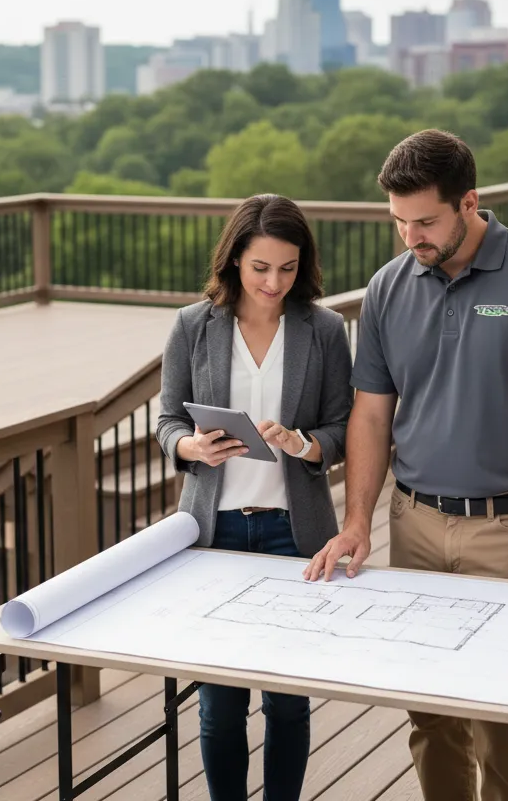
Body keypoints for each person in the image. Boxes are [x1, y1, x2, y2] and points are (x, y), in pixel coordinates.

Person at [302, 129, 508, 801]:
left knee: (505, 720)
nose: (411, 236)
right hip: (413, 522)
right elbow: (371, 416)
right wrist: (357, 522)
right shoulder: (386, 288)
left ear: (469, 202)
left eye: (426, 221)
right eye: (398, 222)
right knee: (431, 713)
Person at [156, 193, 354, 801]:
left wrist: (302, 443)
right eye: (261, 267)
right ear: (235, 259)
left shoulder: (323, 329)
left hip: (294, 535)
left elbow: (342, 431)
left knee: (288, 703)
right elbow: (166, 421)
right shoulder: (194, 325)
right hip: (213, 534)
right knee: (218, 707)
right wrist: (190, 449)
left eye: (288, 268)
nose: (274, 282)